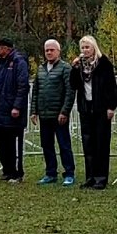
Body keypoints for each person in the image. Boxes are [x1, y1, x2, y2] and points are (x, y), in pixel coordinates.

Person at [69, 36, 117, 189]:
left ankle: (101, 177)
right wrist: (74, 69)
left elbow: (112, 87)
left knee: (101, 143)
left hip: (101, 107)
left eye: (87, 47)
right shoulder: (80, 66)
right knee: (88, 143)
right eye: (82, 48)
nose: (85, 50)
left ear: (94, 48)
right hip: (86, 108)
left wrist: (111, 107)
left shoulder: (104, 63)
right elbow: (74, 85)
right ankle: (90, 176)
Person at [31, 39, 77, 186]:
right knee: (47, 145)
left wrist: (65, 111)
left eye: (52, 50)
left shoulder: (65, 68)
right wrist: (33, 111)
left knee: (64, 144)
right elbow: (36, 91)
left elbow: (70, 92)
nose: (49, 52)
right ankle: (51, 173)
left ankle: (69, 173)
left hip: (59, 116)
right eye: (47, 50)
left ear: (58, 51)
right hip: (44, 115)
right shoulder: (41, 69)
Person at [0, 38, 30, 183]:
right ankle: (7, 170)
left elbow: (23, 86)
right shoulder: (0, 63)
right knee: (1, 141)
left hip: (12, 111)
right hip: (0, 109)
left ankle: (17, 172)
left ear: (6, 48)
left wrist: (17, 106)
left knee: (13, 143)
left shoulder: (19, 62)